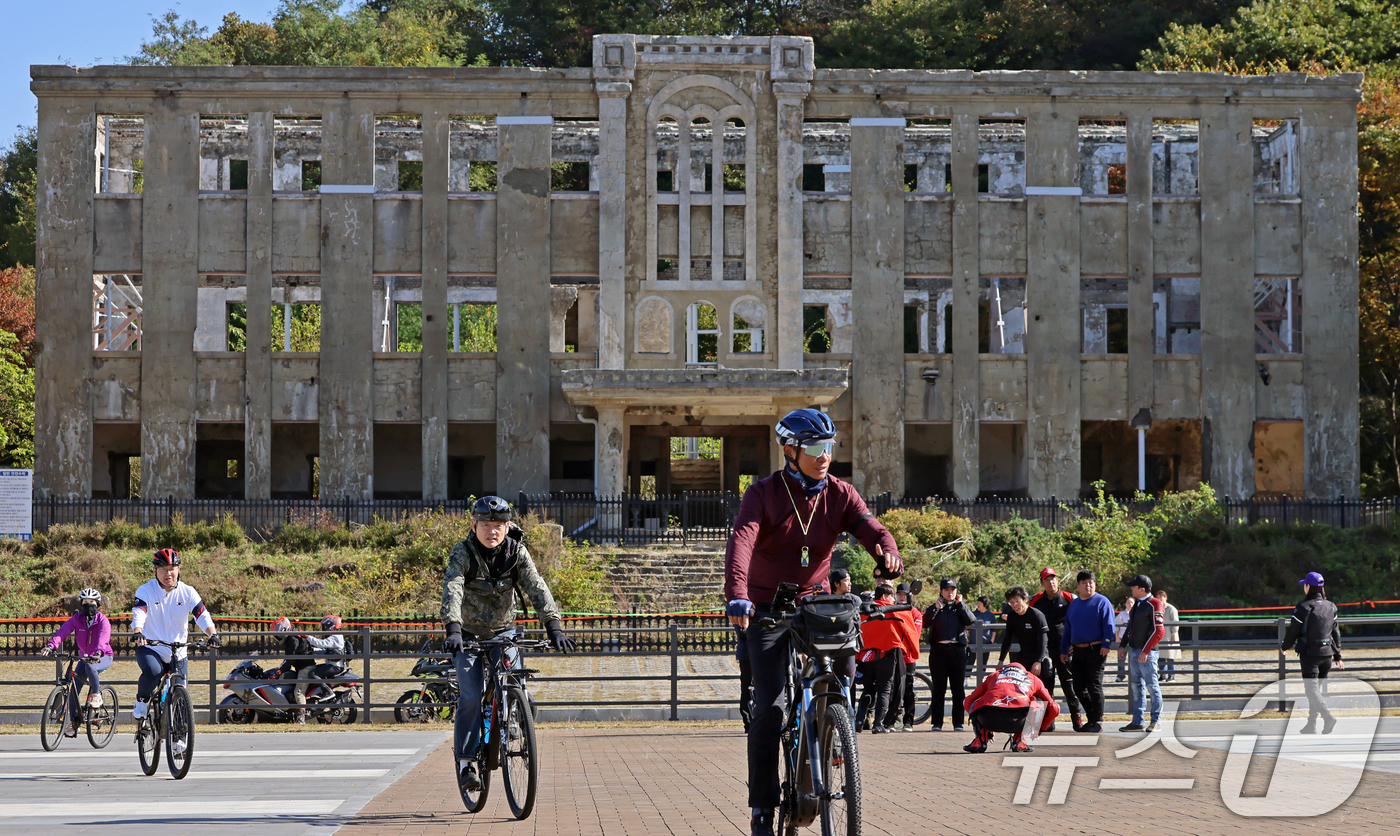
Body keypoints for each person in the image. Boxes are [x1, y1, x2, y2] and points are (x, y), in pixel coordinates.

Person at [724, 408, 902, 836]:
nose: (825, 455)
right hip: (766, 607)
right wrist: (739, 597)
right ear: (790, 450)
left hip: (815, 604)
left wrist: (887, 553)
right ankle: (762, 808)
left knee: (842, 668)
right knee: (769, 709)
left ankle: (833, 727)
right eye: (816, 447)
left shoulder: (840, 493)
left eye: (830, 446)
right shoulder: (763, 493)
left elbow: (871, 528)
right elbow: (741, 542)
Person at [441, 495, 575, 793]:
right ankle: (466, 762)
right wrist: (453, 629)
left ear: (507, 526)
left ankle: (515, 713)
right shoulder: (463, 552)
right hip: (468, 637)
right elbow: (453, 587)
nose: (493, 531)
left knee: (517, 681)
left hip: (504, 631)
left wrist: (553, 627)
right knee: (472, 696)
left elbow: (536, 585)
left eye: (499, 525)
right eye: (487, 525)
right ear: (474, 525)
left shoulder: (516, 551)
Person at [131, 549, 221, 754]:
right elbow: (139, 612)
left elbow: (202, 615)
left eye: (172, 569)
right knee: (153, 672)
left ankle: (179, 741)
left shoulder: (188, 592)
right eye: (163, 569)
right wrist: (137, 631)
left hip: (177, 651)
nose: (168, 573)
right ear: (155, 570)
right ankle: (142, 703)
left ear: (179, 569)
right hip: (151, 646)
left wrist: (212, 634)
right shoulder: (146, 590)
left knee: (181, 694)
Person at [41, 588, 113, 735]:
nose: (88, 605)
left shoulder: (102, 621)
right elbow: (63, 632)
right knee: (74, 688)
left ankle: (96, 695)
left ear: (97, 604)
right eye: (85, 602)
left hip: (102, 656)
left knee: (91, 668)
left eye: (91, 602)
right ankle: (74, 722)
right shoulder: (77, 619)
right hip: (84, 657)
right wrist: (51, 646)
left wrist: (98, 652)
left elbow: (103, 638)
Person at [1281, 571, 1344, 734]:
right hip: (1327, 655)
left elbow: (1293, 631)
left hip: (1310, 655)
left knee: (1311, 690)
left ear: (1308, 587)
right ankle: (1311, 725)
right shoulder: (1331, 606)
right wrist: (1338, 655)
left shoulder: (1303, 608)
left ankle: (1328, 717)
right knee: (1315, 691)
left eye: (1305, 585)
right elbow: (1335, 632)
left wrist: (1284, 646)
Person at [1058, 570, 1114, 734]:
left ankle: (1098, 720)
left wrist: (1107, 644)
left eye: (1090, 582)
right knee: (1078, 686)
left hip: (1096, 649)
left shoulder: (1102, 602)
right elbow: (1067, 628)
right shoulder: (1074, 604)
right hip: (1078, 650)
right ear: (1078, 585)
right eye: (1084, 582)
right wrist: (1064, 649)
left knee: (1094, 685)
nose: (1088, 585)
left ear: (1095, 584)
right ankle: (1090, 718)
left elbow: (1109, 625)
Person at [962, 662, 1059, 753]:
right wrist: (1040, 729)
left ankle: (980, 739)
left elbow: (967, 701)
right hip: (1018, 721)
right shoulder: (1033, 678)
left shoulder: (994, 675)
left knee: (977, 702)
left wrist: (982, 724)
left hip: (989, 719)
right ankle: (1019, 741)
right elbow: (1055, 708)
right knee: (1039, 702)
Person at [1028, 568, 1083, 731]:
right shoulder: (1035, 600)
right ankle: (1047, 721)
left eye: (1053, 578)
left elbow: (1080, 621)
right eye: (1047, 579)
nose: (1051, 582)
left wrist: (1075, 643)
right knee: (1045, 689)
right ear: (1042, 582)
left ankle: (1077, 719)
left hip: (1066, 650)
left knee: (1070, 688)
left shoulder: (1070, 598)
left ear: (1058, 580)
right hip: (1044, 651)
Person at [859, 581, 912, 733]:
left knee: (868, 688)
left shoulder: (865, 609)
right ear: (884, 596)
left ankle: (858, 719)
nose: (893, 600)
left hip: (866, 656)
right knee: (884, 690)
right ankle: (878, 724)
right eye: (892, 596)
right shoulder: (891, 611)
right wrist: (911, 651)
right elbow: (907, 632)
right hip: (886, 655)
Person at [924, 578, 975, 732]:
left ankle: (958, 722)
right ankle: (937, 723)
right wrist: (935, 609)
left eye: (953, 590)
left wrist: (961, 605)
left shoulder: (959, 607)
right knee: (939, 688)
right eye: (947, 590)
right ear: (941, 592)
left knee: (958, 688)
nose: (950, 592)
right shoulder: (935, 607)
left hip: (957, 651)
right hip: (938, 651)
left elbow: (971, 620)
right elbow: (924, 623)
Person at [1119, 575, 1166, 733]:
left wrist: (1146, 650)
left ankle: (1155, 721)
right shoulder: (1138, 604)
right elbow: (1130, 627)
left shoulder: (1154, 604)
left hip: (1148, 653)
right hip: (1134, 651)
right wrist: (1122, 645)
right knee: (1136, 687)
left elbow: (1159, 631)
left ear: (1142, 589)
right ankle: (1137, 721)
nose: (1131, 589)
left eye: (1134, 586)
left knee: (1153, 686)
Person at [997, 587, 1049, 705]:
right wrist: (1001, 660)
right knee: (1023, 691)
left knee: (1041, 692)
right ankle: (1027, 721)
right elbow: (1007, 639)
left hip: (1039, 657)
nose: (1015, 605)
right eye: (1011, 602)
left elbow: (1043, 640)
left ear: (1025, 599)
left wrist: (1038, 661)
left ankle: (1047, 722)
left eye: (1017, 601)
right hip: (1024, 656)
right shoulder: (1012, 617)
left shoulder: (1036, 615)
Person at [273, 617, 315, 724]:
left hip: (305, 668)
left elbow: (290, 659)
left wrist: (279, 671)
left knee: (299, 692)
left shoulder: (293, 639)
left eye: (278, 634)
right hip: (301, 667)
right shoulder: (292, 636)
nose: (277, 637)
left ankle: (301, 718)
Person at [896, 582, 923, 730]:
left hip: (908, 656)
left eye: (904, 595)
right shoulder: (891, 610)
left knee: (908, 688)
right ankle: (893, 719)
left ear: (909, 596)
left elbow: (915, 635)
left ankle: (908, 721)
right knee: (893, 688)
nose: (901, 597)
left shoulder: (915, 613)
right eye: (899, 594)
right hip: (894, 655)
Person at [1155, 590, 1180, 682]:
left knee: (1170, 656)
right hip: (1160, 635)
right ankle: (1162, 674)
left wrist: (1174, 633)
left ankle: (1171, 675)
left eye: (1161, 597)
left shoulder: (1171, 608)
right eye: (1158, 597)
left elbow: (1175, 622)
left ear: (1166, 597)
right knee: (1160, 656)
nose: (1160, 599)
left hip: (1169, 634)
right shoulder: (1156, 608)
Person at [971, 595, 996, 673]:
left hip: (985, 643)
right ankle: (966, 678)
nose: (978, 605)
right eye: (977, 603)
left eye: (980, 603)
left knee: (983, 662)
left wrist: (991, 640)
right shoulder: (973, 614)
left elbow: (994, 629)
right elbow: (968, 627)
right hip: (973, 642)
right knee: (970, 661)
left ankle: (981, 679)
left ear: (985, 604)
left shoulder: (991, 615)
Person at [1114, 595, 1133, 682]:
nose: (1130, 604)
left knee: (1134, 658)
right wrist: (1117, 638)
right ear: (1125, 604)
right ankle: (1121, 675)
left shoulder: (1137, 614)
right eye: (1128, 602)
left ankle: (1134, 676)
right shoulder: (1121, 615)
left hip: (1134, 640)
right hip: (1122, 639)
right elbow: (1116, 627)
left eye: (1132, 602)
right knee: (1121, 658)